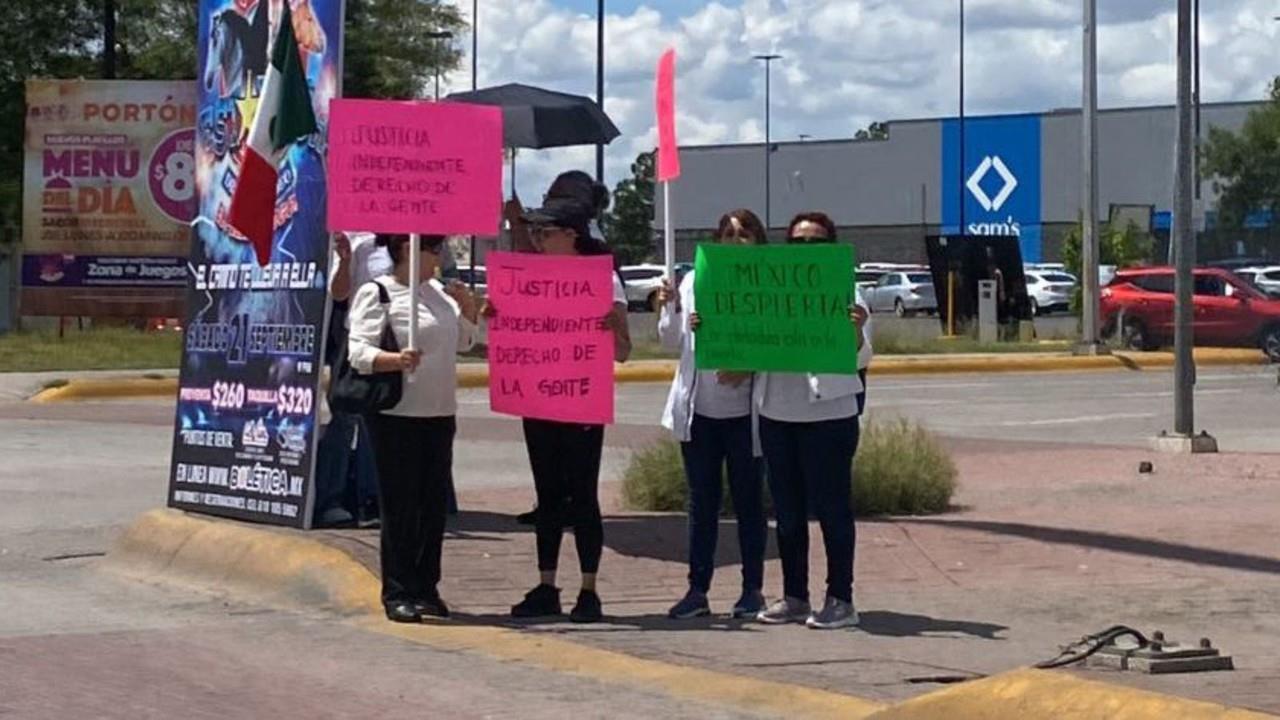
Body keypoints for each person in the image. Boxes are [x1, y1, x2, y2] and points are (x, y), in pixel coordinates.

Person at [489, 197, 632, 624]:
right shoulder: (526, 277)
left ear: (571, 235)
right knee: (547, 496)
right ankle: (547, 584)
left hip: (581, 398)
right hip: (538, 398)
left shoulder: (602, 279)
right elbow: (508, 330)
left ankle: (589, 589)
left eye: (544, 232)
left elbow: (624, 351)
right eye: (534, 232)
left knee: (583, 496)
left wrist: (610, 331)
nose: (536, 238)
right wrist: (495, 315)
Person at [347, 233, 479, 623]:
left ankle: (426, 586)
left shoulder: (437, 293)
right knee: (400, 505)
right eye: (433, 249)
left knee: (432, 506)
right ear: (408, 248)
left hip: (439, 411)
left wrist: (468, 311)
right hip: (396, 414)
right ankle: (398, 590)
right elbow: (359, 352)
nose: (439, 257)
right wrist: (394, 359)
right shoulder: (379, 293)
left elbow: (466, 343)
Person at [753, 212, 873, 630]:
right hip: (776, 412)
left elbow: (862, 357)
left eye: (816, 242)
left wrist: (856, 331)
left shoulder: (848, 291)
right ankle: (794, 596)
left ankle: (841, 598)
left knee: (833, 510)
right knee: (786, 514)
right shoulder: (770, 289)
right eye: (798, 242)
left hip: (829, 414)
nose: (806, 250)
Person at [656, 209, 769, 620]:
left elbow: (779, 340)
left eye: (744, 233)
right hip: (699, 411)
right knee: (702, 503)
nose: (735, 240)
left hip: (746, 415)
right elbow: (671, 341)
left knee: (748, 503)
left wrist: (749, 365)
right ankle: (697, 590)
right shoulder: (693, 282)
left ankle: (752, 590)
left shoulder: (767, 284)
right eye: (727, 233)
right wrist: (669, 310)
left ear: (758, 240)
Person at [505, 171, 614, 527]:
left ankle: (574, 516)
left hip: (578, 381)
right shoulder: (548, 247)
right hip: (541, 378)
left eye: (544, 232)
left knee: (579, 474)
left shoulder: (594, 255)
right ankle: (550, 505)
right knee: (546, 460)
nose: (539, 238)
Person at [313, 231, 391, 528]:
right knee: (345, 417)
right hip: (358, 337)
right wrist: (345, 260)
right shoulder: (357, 239)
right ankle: (330, 500)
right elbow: (339, 292)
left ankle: (373, 501)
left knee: (380, 420)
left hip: (397, 339)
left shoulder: (413, 237)